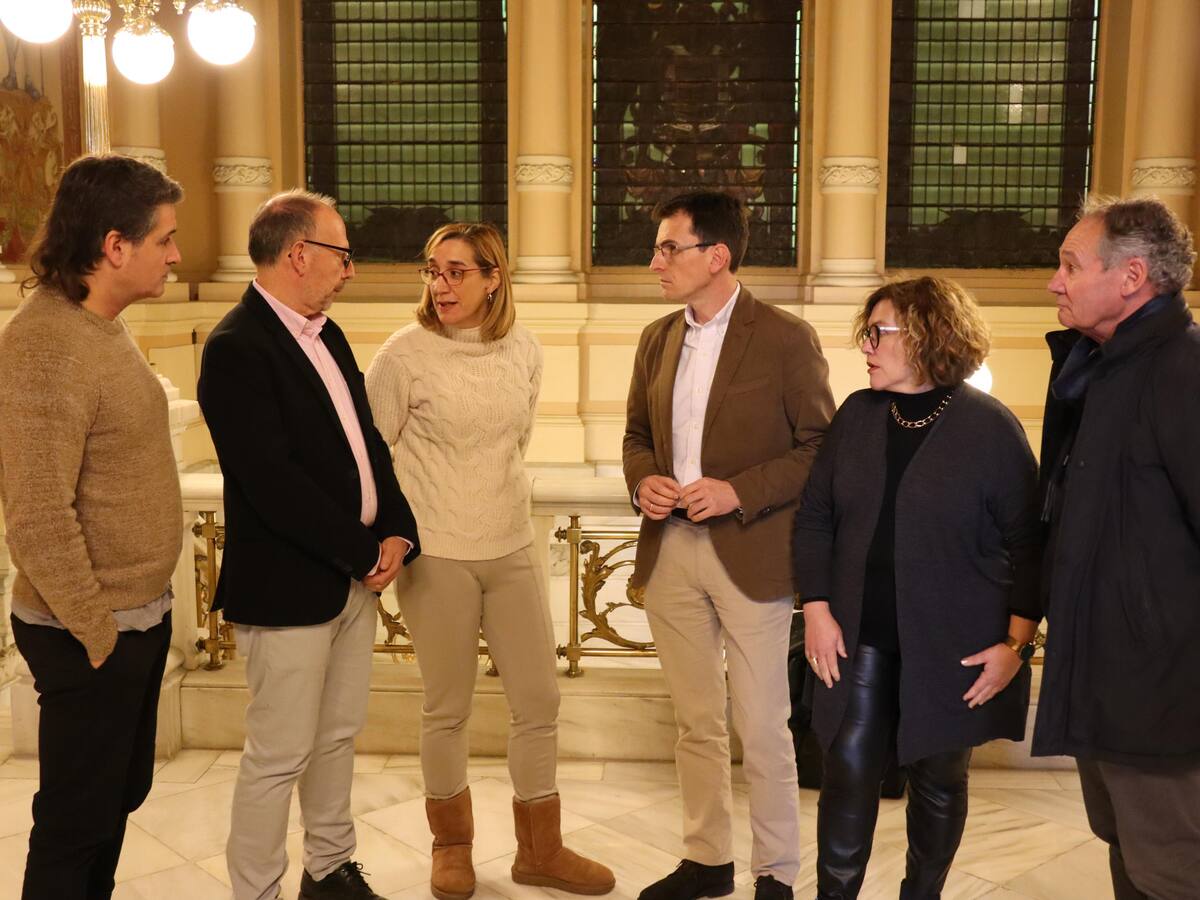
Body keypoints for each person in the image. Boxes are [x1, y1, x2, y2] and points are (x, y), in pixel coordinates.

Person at [365, 222, 614, 899]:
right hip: (437, 552)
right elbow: (371, 458)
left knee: (539, 699)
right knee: (448, 706)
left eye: (456, 272)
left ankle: (541, 850)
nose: (440, 285)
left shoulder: (523, 348)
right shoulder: (403, 355)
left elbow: (515, 440)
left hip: (510, 544)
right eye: (432, 270)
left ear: (493, 278)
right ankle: (451, 846)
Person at [197, 190, 420, 900]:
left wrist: (396, 527)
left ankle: (329, 869)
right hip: (288, 587)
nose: (349, 270)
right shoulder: (236, 347)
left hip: (353, 578)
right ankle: (257, 892)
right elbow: (272, 482)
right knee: (278, 755)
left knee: (337, 736)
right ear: (300, 254)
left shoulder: (329, 335)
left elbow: (367, 444)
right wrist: (362, 552)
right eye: (341, 255)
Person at [793, 276, 1042, 900]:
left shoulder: (990, 428)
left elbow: (1029, 547)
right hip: (858, 635)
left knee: (939, 778)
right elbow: (816, 516)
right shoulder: (857, 414)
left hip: (955, 644)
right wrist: (816, 608)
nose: (866, 346)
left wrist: (1017, 645)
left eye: (878, 333)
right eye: (867, 333)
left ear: (927, 337)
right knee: (847, 768)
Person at [623, 191, 835, 900]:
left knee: (764, 725)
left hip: (751, 550)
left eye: (668, 248)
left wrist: (738, 491)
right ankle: (707, 859)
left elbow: (820, 447)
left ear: (717, 256)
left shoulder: (784, 337)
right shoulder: (656, 338)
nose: (655, 261)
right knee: (696, 722)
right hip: (671, 550)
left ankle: (775, 871)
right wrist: (644, 480)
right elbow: (636, 436)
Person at [0, 154, 184, 900]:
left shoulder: (98, 327)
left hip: (133, 619)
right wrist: (98, 635)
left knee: (114, 801)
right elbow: (37, 514)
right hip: (90, 632)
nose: (175, 255)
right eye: (164, 239)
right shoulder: (46, 344)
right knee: (75, 825)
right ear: (114, 246)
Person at [1034, 196, 1200, 899]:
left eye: (1071, 266)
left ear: (1131, 277)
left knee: (1172, 871)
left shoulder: (1184, 370)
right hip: (1104, 678)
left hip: (1162, 693)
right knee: (1128, 855)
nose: (1055, 282)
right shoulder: (1096, 370)